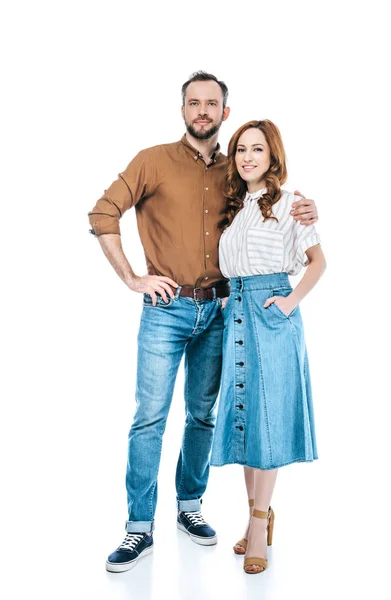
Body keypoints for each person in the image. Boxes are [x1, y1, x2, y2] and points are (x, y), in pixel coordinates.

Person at [88, 72, 318, 573]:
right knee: (149, 416)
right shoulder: (152, 160)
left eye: (211, 103)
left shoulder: (236, 173)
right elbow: (103, 213)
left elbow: (272, 211)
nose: (202, 110)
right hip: (165, 310)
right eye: (193, 102)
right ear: (183, 109)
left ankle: (190, 506)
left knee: (203, 416)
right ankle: (138, 528)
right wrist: (133, 278)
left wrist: (306, 210)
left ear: (224, 113)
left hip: (223, 311)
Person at [210, 120, 326, 574]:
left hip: (271, 314)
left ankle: (258, 525)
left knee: (270, 422)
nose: (247, 157)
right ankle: (257, 512)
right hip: (234, 312)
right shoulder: (236, 206)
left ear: (272, 155)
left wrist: (289, 303)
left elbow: (318, 262)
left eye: (257, 149)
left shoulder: (291, 202)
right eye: (241, 149)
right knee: (245, 422)